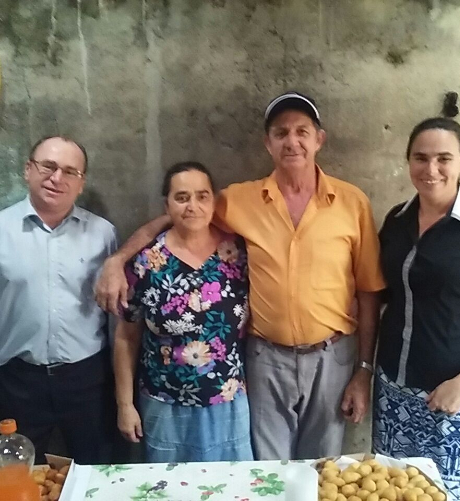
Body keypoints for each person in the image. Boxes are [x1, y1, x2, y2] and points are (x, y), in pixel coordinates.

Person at [97, 92, 385, 460]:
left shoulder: (352, 202)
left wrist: (363, 370)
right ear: (268, 143)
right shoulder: (238, 201)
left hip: (332, 357)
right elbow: (182, 216)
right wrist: (118, 259)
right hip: (266, 359)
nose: (292, 142)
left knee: (322, 467)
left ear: (319, 139)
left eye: (302, 131)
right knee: (265, 471)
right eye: (281, 133)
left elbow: (369, 292)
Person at [372, 117, 460, 501]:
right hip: (395, 392)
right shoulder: (397, 220)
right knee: (391, 492)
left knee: (450, 495)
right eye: (420, 158)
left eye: (444, 158)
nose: (431, 169)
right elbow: (382, 295)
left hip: (457, 398)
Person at [114, 161, 253, 462]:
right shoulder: (146, 263)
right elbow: (126, 337)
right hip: (164, 405)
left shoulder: (239, 255)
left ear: (214, 202)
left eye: (202, 196)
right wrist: (125, 405)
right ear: (167, 205)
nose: (193, 206)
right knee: (170, 484)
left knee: (232, 483)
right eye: (181, 197)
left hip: (227, 401)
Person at [0, 136, 117, 464]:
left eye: (70, 171)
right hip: (17, 380)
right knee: (18, 473)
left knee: (97, 468)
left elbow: (114, 313)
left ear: (81, 183)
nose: (56, 178)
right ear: (28, 169)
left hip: (87, 379)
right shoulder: (1, 230)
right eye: (48, 166)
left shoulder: (103, 234)